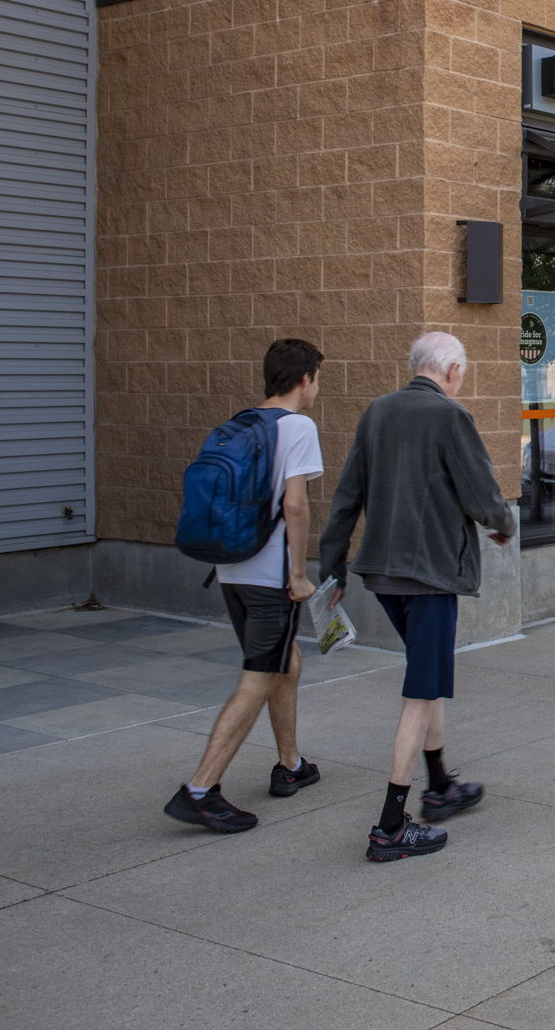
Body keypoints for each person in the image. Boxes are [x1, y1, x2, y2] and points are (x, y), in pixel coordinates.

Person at [320, 331, 515, 862]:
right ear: (451, 369)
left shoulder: (377, 412)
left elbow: (346, 497)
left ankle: (440, 785)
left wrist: (333, 567)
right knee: (420, 690)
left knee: (427, 679)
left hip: (382, 575)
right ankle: (390, 826)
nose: (460, 384)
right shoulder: (450, 416)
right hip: (429, 575)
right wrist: (502, 524)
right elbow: (481, 492)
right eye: (463, 374)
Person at [164, 338, 326, 833]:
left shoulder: (240, 423)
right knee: (258, 678)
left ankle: (291, 765)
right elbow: (295, 506)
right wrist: (298, 576)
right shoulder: (297, 426)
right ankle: (200, 789)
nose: (318, 388)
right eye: (317, 379)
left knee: (285, 662)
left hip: (231, 570)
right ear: (304, 380)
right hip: (270, 577)